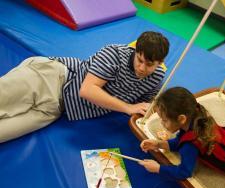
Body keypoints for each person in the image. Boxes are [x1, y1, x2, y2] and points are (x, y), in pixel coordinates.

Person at [0, 31, 169, 143]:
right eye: (139, 60)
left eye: (149, 64)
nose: (142, 68)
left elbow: (144, 113)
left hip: (57, 110)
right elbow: (87, 90)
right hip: (52, 78)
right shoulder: (114, 54)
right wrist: (128, 107)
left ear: (159, 63)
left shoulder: (156, 78)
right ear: (136, 51)